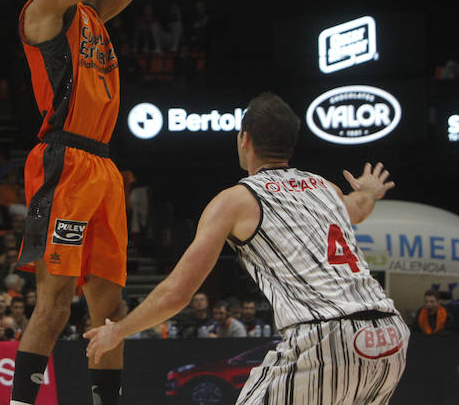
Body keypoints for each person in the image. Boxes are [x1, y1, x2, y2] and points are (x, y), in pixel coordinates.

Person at [85, 93, 410, 404]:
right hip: (390, 334)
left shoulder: (235, 201)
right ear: (290, 144)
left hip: (326, 335)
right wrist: (371, 190)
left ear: (244, 139)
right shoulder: (325, 188)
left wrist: (119, 331)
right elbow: (359, 207)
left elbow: (176, 294)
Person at [8, 0, 161, 405]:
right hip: (64, 161)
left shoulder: (93, 10)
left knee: (111, 312)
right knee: (52, 305)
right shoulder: (42, 9)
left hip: (103, 167)